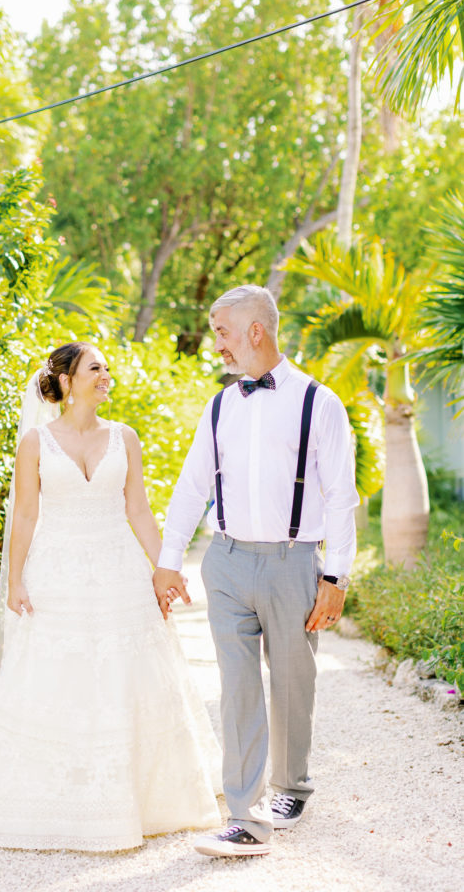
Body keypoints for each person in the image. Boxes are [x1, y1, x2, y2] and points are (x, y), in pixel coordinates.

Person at [0, 341, 221, 852]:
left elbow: (140, 512)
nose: (107, 375)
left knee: (126, 679)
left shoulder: (125, 437)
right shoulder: (36, 442)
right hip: (56, 575)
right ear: (65, 380)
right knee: (59, 681)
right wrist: (15, 580)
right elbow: (27, 517)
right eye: (95, 368)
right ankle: (54, 803)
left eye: (107, 368)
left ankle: (139, 802)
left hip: (119, 572)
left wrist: (164, 568)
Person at [153, 285, 359, 858]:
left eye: (221, 331)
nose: (215, 343)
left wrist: (335, 577)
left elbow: (342, 496)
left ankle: (292, 785)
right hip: (226, 560)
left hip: (294, 562)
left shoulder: (320, 403)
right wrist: (170, 561)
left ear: (254, 331)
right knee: (237, 688)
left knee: (294, 682)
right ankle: (246, 813)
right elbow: (192, 485)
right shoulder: (219, 405)